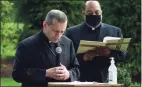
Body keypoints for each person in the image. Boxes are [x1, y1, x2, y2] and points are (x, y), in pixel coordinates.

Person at [12, 9, 80, 87]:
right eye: (55, 31)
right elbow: (17, 74)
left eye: (62, 32)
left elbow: (76, 70)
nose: (59, 36)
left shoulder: (68, 43)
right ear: (45, 25)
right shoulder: (26, 45)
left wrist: (68, 74)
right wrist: (45, 73)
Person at [65, 0, 127, 82]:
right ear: (84, 14)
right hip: (80, 79)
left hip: (106, 79)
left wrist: (109, 53)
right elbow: (66, 58)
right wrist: (84, 58)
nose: (94, 15)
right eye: (90, 13)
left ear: (101, 13)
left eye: (97, 12)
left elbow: (123, 55)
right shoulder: (71, 33)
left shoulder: (115, 31)